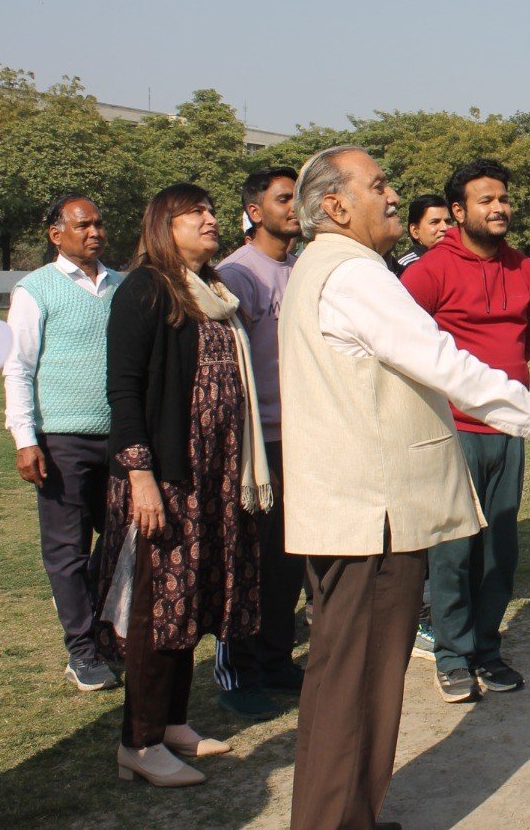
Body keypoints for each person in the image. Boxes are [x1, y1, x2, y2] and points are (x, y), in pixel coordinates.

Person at [279, 146, 530, 828]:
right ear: (335, 205)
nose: (393, 195)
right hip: (371, 519)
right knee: (355, 689)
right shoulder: (355, 274)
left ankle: (350, 816)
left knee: (353, 685)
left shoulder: (323, 266)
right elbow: (447, 364)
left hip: (354, 512)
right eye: (378, 184)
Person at [96, 184, 270, 789]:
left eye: (211, 210)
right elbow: (123, 388)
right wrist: (141, 475)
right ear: (162, 226)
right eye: (194, 213)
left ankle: (171, 723)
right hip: (167, 477)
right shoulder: (146, 289)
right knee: (157, 608)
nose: (209, 219)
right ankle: (139, 743)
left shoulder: (212, 291)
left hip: (213, 478)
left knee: (189, 604)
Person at [401, 159, 530, 701]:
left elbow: (527, 339)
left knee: (499, 549)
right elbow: (404, 344)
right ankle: (452, 654)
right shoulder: (429, 271)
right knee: (452, 551)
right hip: (451, 430)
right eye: (486, 200)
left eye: (503, 198)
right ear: (459, 212)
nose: (499, 208)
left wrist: (501, 397)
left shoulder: (524, 267)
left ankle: (487, 649)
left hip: (506, 428)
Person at [1, 193, 122, 693]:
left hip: (119, 438)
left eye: (98, 224)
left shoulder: (122, 286)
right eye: (83, 225)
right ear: (56, 235)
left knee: (123, 541)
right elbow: (18, 367)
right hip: (61, 440)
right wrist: (25, 439)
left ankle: (84, 606)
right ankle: (83, 651)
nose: (94, 232)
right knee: (67, 550)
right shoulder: (36, 289)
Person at [212, 166, 307, 720]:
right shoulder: (237, 274)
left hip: (300, 436)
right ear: (254, 211)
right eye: (283, 198)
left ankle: (275, 659)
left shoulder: (300, 269)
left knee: (288, 559)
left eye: (298, 197)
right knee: (246, 560)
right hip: (255, 441)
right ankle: (238, 672)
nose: (294, 207)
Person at [392, 193, 452, 277]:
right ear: (415, 231)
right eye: (434, 222)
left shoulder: (457, 260)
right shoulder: (404, 268)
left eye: (448, 221)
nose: (444, 227)